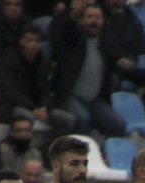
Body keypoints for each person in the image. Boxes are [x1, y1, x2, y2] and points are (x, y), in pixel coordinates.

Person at [52, 4, 128, 137]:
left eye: (98, 17)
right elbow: (67, 30)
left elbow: (123, 55)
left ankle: (104, 153)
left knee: (118, 124)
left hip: (95, 101)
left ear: (103, 21)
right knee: (82, 118)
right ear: (82, 21)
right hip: (70, 97)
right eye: (90, 17)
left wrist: (127, 61)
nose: (94, 20)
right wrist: (75, 13)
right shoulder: (73, 40)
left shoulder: (106, 44)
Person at [0, 24, 76, 143]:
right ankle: (24, 151)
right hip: (9, 107)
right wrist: (33, 109)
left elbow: (45, 90)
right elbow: (11, 92)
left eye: (37, 40)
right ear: (22, 42)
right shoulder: (9, 61)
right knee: (27, 118)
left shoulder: (41, 61)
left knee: (68, 119)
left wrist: (44, 107)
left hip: (35, 107)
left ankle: (48, 152)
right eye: (30, 40)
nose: (34, 44)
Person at [0, 0, 32, 73]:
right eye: (9, 4)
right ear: (2, 6)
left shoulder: (26, 22)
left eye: (17, 5)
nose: (13, 9)